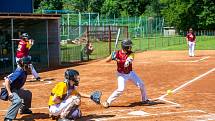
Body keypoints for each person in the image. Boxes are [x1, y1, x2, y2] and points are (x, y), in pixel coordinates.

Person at [102, 39, 153, 108]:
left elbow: (126, 63)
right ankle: (108, 102)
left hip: (130, 73)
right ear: (125, 47)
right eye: (129, 46)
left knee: (141, 84)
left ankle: (144, 99)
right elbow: (106, 61)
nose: (130, 47)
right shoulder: (117, 53)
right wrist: (111, 56)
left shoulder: (131, 53)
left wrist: (117, 59)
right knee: (120, 89)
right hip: (121, 75)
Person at [3, 57, 33, 121]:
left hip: (15, 89)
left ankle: (24, 109)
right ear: (24, 65)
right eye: (28, 64)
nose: (30, 66)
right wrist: (9, 93)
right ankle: (8, 117)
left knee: (28, 94)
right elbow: (7, 81)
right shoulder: (19, 72)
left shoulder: (23, 70)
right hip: (8, 90)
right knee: (17, 101)